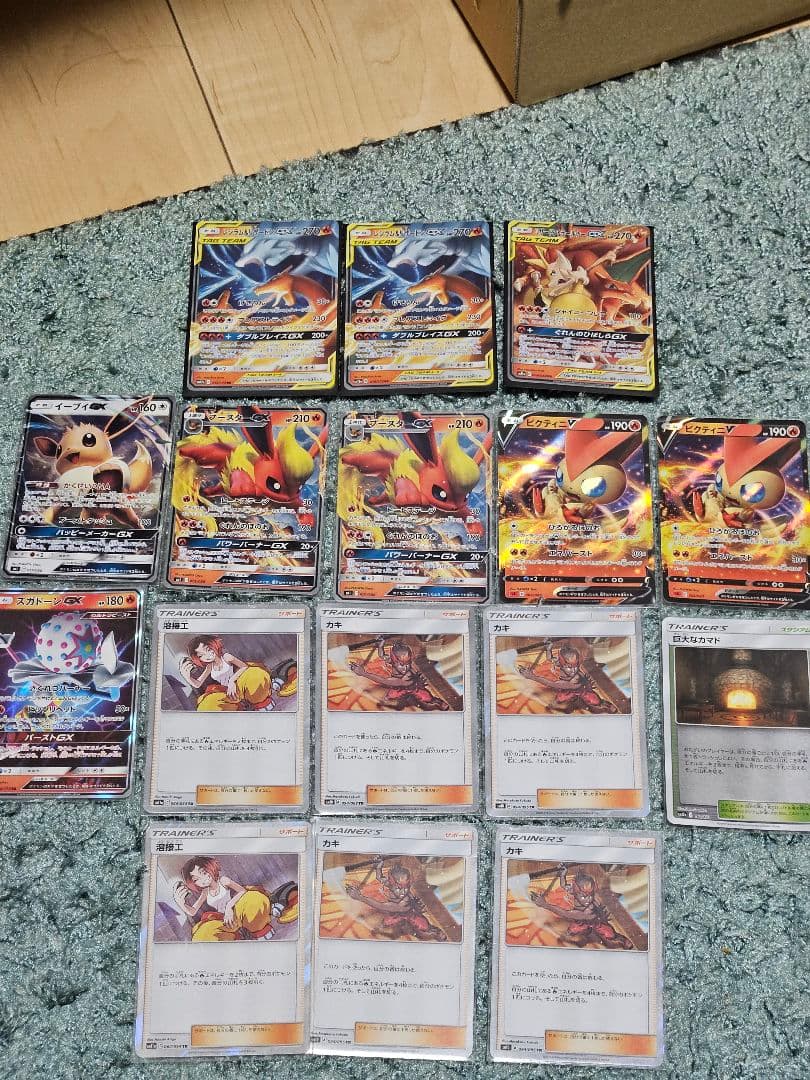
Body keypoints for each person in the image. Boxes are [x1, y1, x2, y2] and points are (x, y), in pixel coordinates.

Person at [172, 856, 297, 942]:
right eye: (196, 879)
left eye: (204, 873)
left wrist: (229, 907)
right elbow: (192, 911)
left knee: (253, 898)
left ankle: (260, 927)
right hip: (226, 921)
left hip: (238, 911)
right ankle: (234, 937)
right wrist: (181, 904)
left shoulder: (223, 881)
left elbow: (242, 891)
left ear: (210, 868)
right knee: (202, 934)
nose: (203, 879)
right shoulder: (205, 892)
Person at [179, 635, 294, 711]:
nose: (208, 655)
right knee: (207, 705)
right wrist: (187, 677)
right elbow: (197, 684)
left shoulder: (226, 657)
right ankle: (240, 708)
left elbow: (244, 666)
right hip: (229, 693)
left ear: (213, 645)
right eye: (201, 655)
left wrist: (232, 681)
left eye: (208, 649)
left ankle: (262, 699)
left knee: (255, 674)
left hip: (240, 685)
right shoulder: (209, 666)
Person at [531, 865, 634, 950]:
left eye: (590, 894)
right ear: (575, 891)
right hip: (581, 923)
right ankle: (584, 931)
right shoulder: (574, 890)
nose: (588, 899)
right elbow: (564, 886)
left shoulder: (587, 910)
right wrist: (563, 875)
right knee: (571, 931)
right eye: (584, 896)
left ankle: (623, 940)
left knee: (610, 935)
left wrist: (545, 905)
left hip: (597, 922)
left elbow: (565, 913)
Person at [345, 856, 447, 941]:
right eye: (398, 887)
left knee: (425, 927)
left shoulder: (401, 901)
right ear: (393, 883)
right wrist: (378, 867)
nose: (403, 891)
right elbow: (380, 878)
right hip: (396, 915)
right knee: (384, 924)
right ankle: (379, 929)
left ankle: (437, 933)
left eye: (405, 887)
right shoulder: (392, 886)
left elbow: (379, 905)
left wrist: (360, 897)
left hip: (412, 914)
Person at [348, 638, 450, 711]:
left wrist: (363, 673)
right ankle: (388, 699)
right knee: (389, 697)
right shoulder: (394, 661)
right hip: (398, 688)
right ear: (394, 660)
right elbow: (382, 656)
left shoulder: (407, 676)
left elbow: (384, 681)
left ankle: (438, 702)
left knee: (428, 698)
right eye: (401, 664)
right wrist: (380, 645)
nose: (405, 667)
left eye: (407, 663)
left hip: (414, 688)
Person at [519, 641, 618, 714]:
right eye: (568, 666)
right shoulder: (561, 664)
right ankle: (555, 704)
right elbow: (550, 659)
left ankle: (606, 705)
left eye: (575, 665)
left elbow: (550, 683)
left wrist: (532, 676)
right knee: (559, 699)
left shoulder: (574, 678)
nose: (573, 670)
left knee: (596, 701)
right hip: (568, 691)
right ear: (562, 663)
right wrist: (548, 649)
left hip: (583, 689)